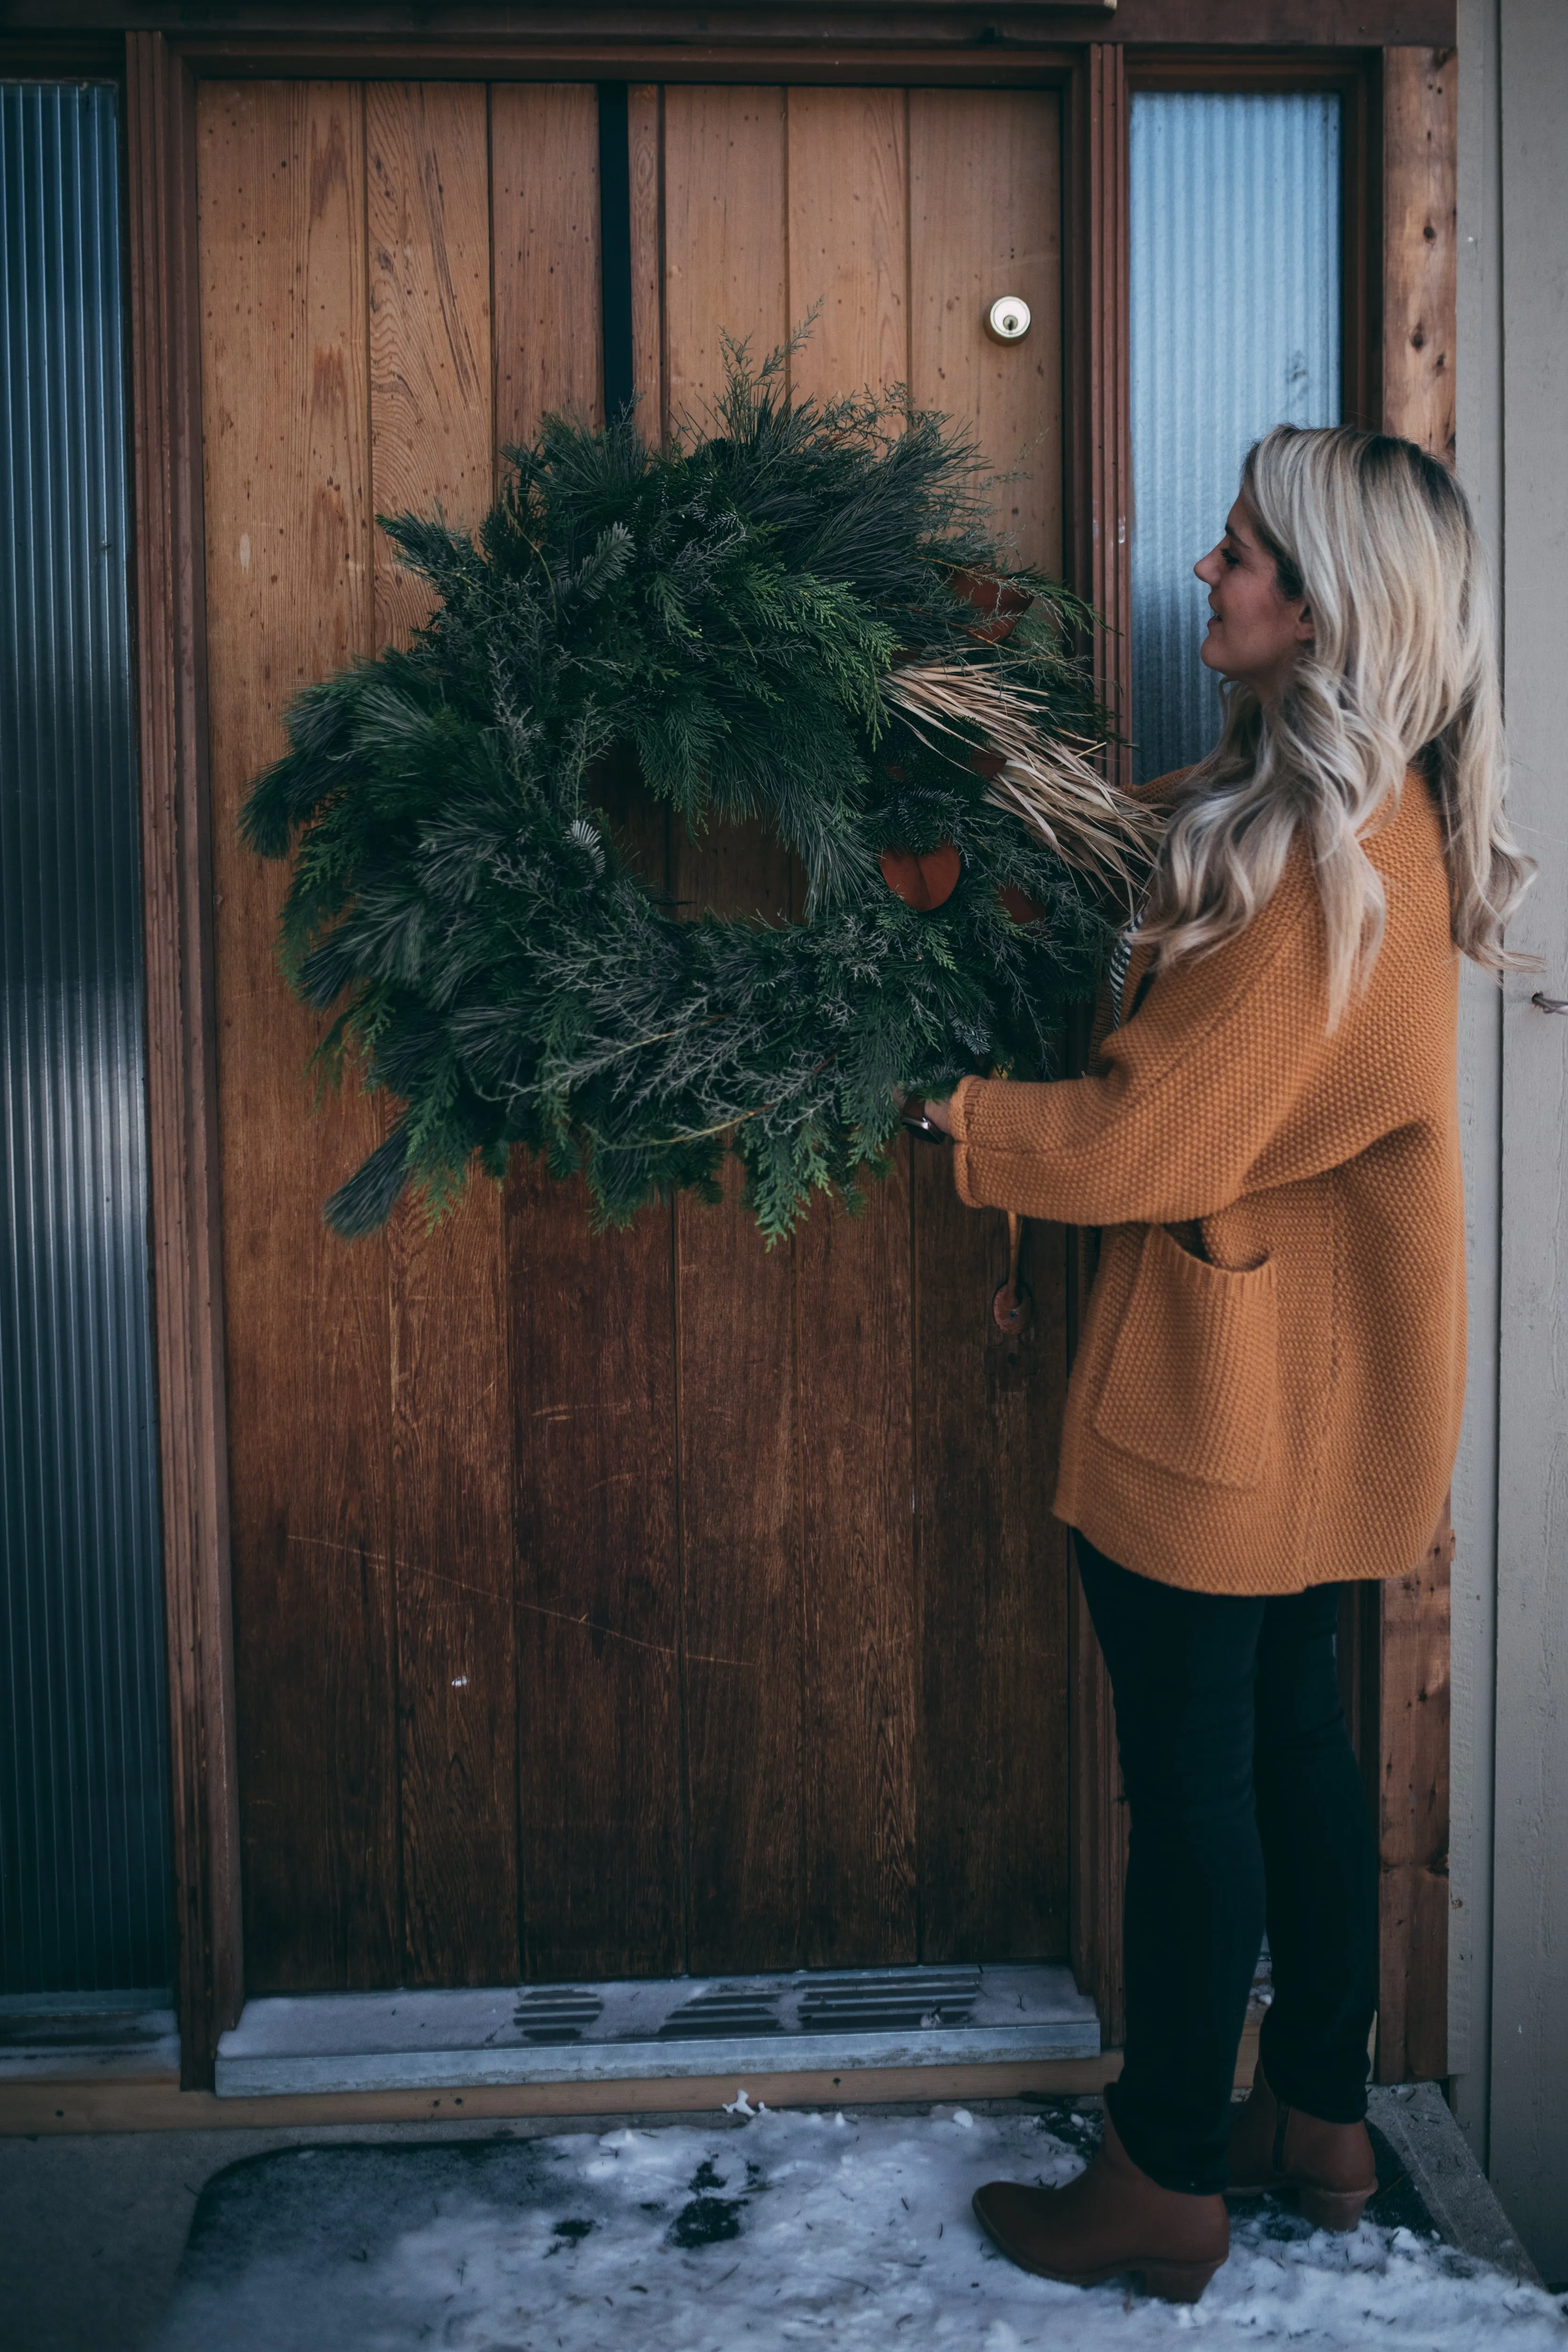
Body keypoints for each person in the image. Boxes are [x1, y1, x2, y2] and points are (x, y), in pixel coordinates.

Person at [917, 424, 1530, 2305]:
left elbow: (1137, 1143)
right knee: (1289, 1751)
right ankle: (1318, 2116)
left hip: (1230, 1401)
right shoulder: (1343, 815)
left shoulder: (1321, 866)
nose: (1203, 568)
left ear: (1326, 605)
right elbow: (1168, 894)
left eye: (1247, 550)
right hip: (1318, 1387)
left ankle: (1163, 2170)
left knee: (1190, 1790)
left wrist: (933, 1106)